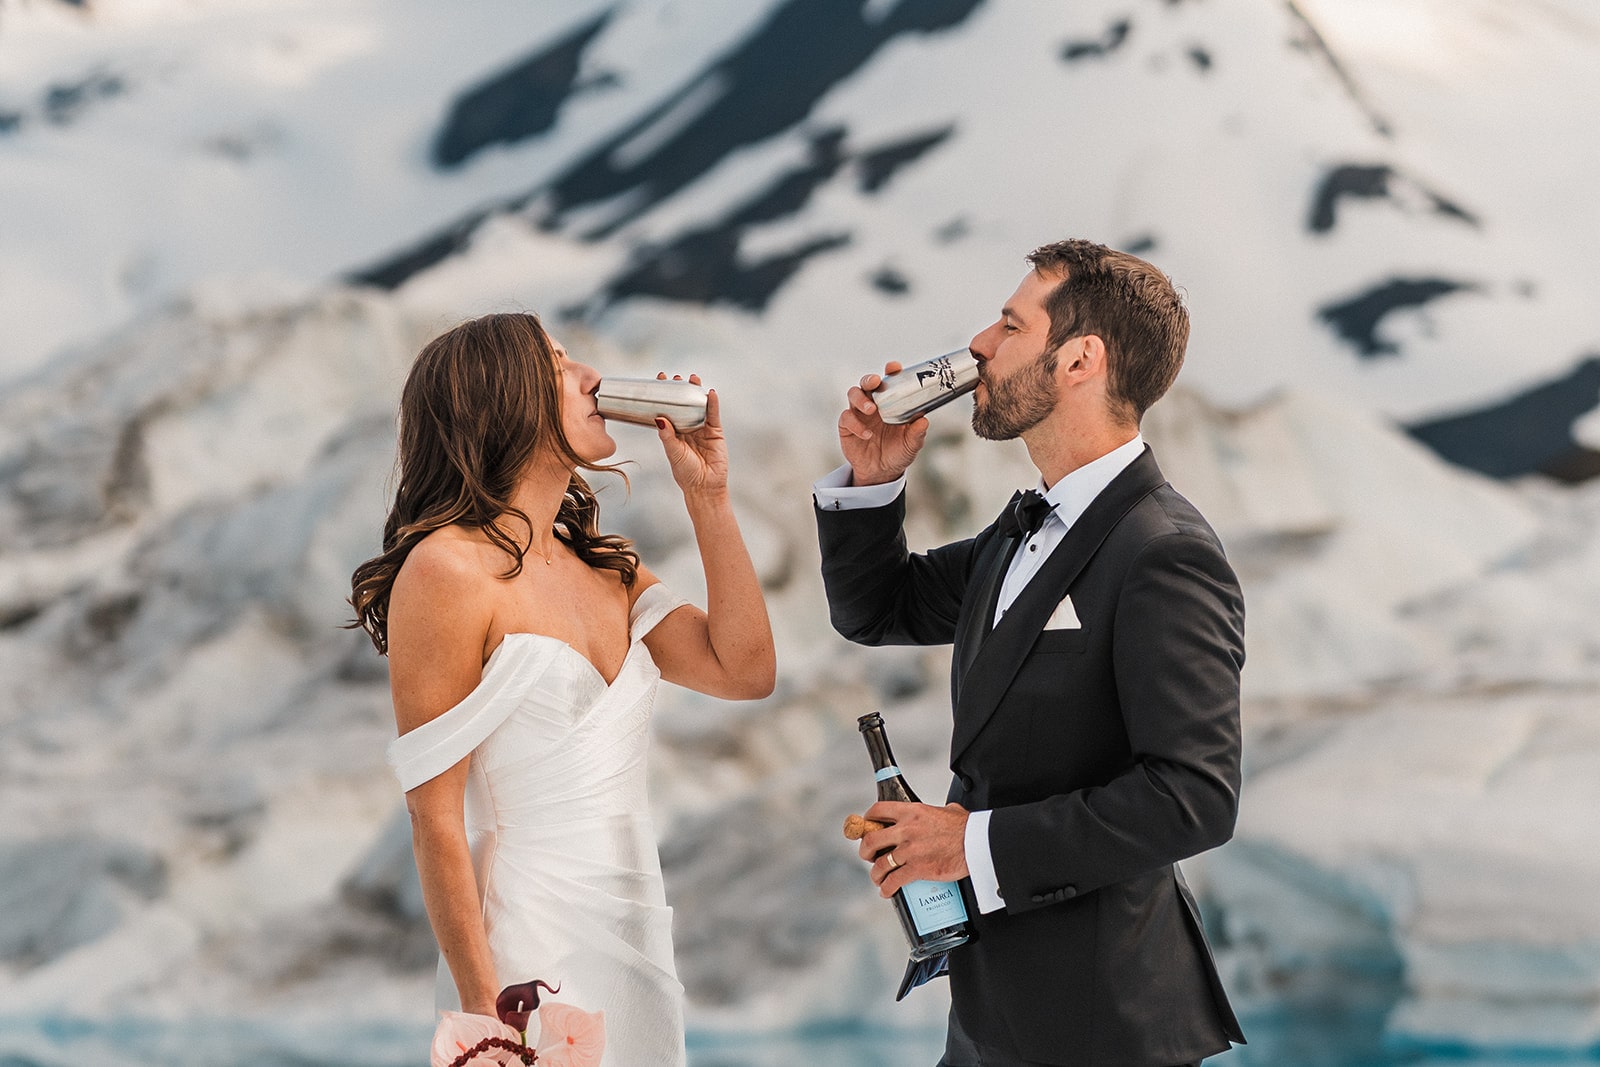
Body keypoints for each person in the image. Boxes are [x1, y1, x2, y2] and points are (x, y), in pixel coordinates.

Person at [814, 240, 1246, 1066]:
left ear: (1080, 358)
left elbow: (1194, 796)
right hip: (991, 1022)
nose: (978, 342)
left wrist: (969, 844)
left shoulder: (1165, 551)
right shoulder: (1021, 533)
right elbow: (878, 607)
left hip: (1104, 1027)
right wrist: (873, 481)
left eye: (1011, 324)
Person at [349, 312, 775, 1066]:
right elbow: (435, 815)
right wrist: (486, 1016)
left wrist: (708, 495)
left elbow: (743, 669)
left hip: (636, 928)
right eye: (559, 363)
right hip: (524, 945)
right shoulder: (446, 571)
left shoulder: (605, 570)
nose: (592, 377)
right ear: (504, 398)